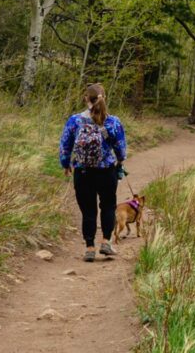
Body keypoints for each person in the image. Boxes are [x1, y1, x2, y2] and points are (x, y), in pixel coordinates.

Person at [58, 83, 127, 262]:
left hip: (83, 172)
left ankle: (89, 248)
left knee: (88, 210)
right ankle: (105, 241)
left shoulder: (75, 120)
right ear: (104, 98)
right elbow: (121, 149)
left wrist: (66, 164)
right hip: (106, 172)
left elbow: (65, 145)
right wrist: (119, 161)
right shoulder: (113, 122)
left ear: (85, 98)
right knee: (108, 206)